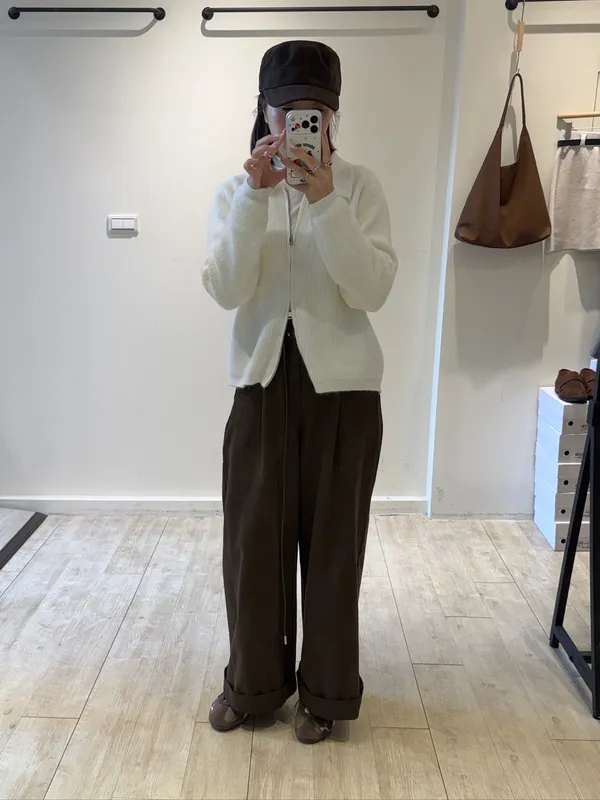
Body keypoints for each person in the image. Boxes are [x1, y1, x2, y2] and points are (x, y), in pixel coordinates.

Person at [202, 40, 397, 745]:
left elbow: (370, 289)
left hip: (345, 394)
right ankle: (253, 686)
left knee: (334, 553)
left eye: (314, 112)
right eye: (286, 111)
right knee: (252, 548)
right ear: (265, 113)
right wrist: (255, 200)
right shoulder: (236, 193)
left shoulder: (359, 189)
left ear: (333, 117)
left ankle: (326, 694)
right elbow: (226, 288)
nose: (298, 126)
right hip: (260, 388)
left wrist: (324, 201)